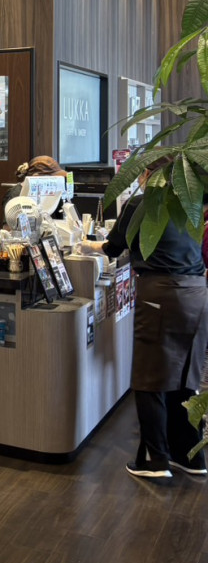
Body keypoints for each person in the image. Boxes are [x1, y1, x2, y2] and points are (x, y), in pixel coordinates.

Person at [82, 166, 208, 479]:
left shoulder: (142, 203)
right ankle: (190, 455)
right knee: (185, 377)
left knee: (150, 376)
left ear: (150, 173)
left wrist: (87, 245)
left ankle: (156, 459)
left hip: (161, 293)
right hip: (197, 293)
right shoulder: (190, 200)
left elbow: (113, 247)